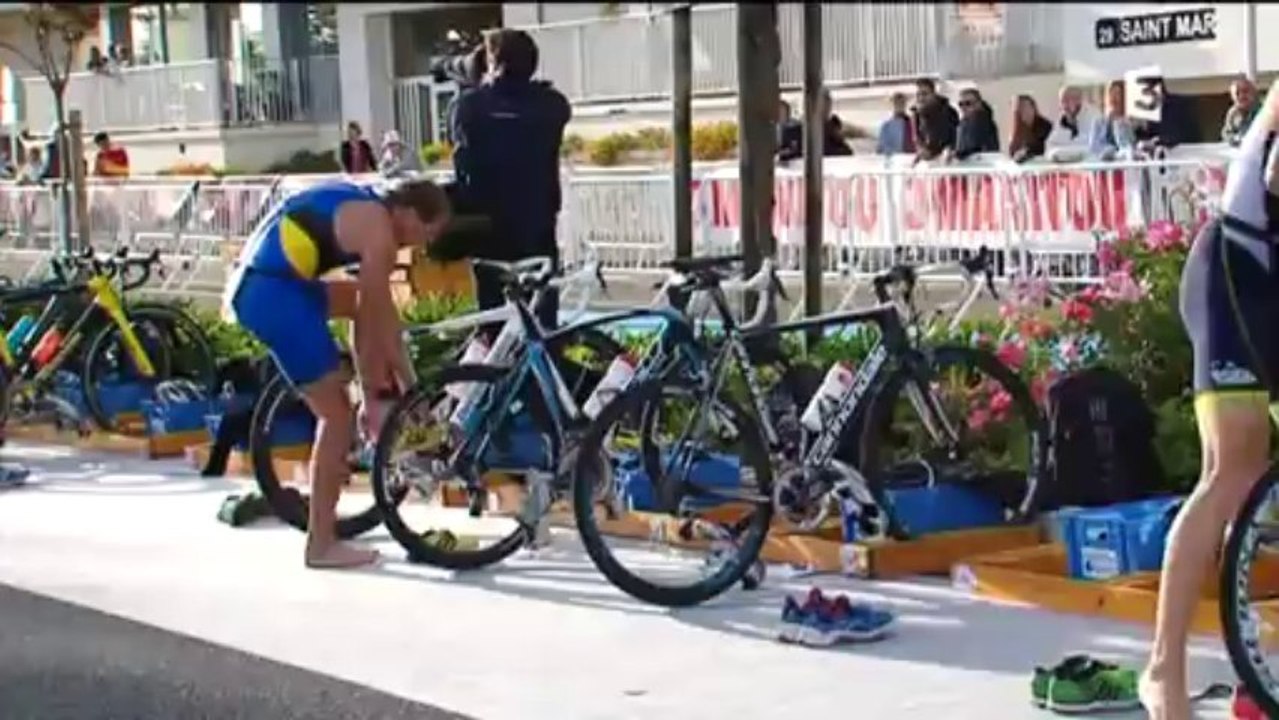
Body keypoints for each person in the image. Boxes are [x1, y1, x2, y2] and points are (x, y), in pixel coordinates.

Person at [222, 178, 451, 569]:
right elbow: (385, 325)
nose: (422, 245)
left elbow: (366, 310)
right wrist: (414, 390)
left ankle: (369, 403)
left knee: (355, 304)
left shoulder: (363, 203)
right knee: (336, 417)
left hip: (267, 284)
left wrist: (373, 387)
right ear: (409, 214)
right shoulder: (380, 233)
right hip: (274, 297)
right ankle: (321, 545)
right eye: (425, 233)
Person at [1141, 82, 1279, 720]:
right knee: (1234, 471)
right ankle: (1163, 669)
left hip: (1270, 289)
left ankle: (1256, 680)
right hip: (1235, 273)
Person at [452, 28, 570, 328]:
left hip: (487, 227)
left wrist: (476, 81)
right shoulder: (552, 104)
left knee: (492, 315)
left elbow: (461, 150)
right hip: (538, 223)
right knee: (543, 317)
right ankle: (543, 369)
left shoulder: (470, 105)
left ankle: (496, 370)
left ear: (493, 63)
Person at [1045, 85, 1101, 161]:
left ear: (1079, 100)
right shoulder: (1062, 119)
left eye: (1067, 100)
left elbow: (1094, 147)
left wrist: (1063, 151)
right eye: (1062, 101)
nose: (1064, 105)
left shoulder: (1094, 117)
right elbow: (1049, 146)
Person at [912, 77, 959, 162]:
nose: (921, 98)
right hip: (926, 162)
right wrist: (921, 149)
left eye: (925, 94)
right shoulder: (916, 115)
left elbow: (955, 138)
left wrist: (948, 150)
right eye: (918, 95)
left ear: (933, 94)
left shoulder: (948, 112)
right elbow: (917, 138)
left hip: (946, 161)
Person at [1088, 80, 1136, 160]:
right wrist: (1111, 152)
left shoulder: (1131, 121)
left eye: (1118, 93)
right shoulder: (1098, 121)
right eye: (1111, 93)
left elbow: (1131, 146)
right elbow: (1093, 147)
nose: (1114, 97)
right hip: (1103, 163)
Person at [952, 88, 999, 161]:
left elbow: (971, 147)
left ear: (978, 104)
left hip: (981, 164)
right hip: (973, 164)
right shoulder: (964, 122)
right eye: (960, 104)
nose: (963, 108)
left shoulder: (980, 120)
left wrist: (955, 154)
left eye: (968, 103)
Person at [1007, 94, 1053, 163]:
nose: (1023, 111)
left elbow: (1041, 148)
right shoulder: (1017, 127)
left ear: (1033, 108)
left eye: (1026, 107)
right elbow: (1012, 151)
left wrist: (1025, 152)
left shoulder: (1045, 125)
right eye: (1020, 108)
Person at [1222, 76, 1260, 148]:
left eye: (1245, 91)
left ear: (1253, 93)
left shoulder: (1264, 111)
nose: (1241, 96)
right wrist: (1236, 140)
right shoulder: (1233, 113)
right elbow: (1228, 133)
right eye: (1237, 93)